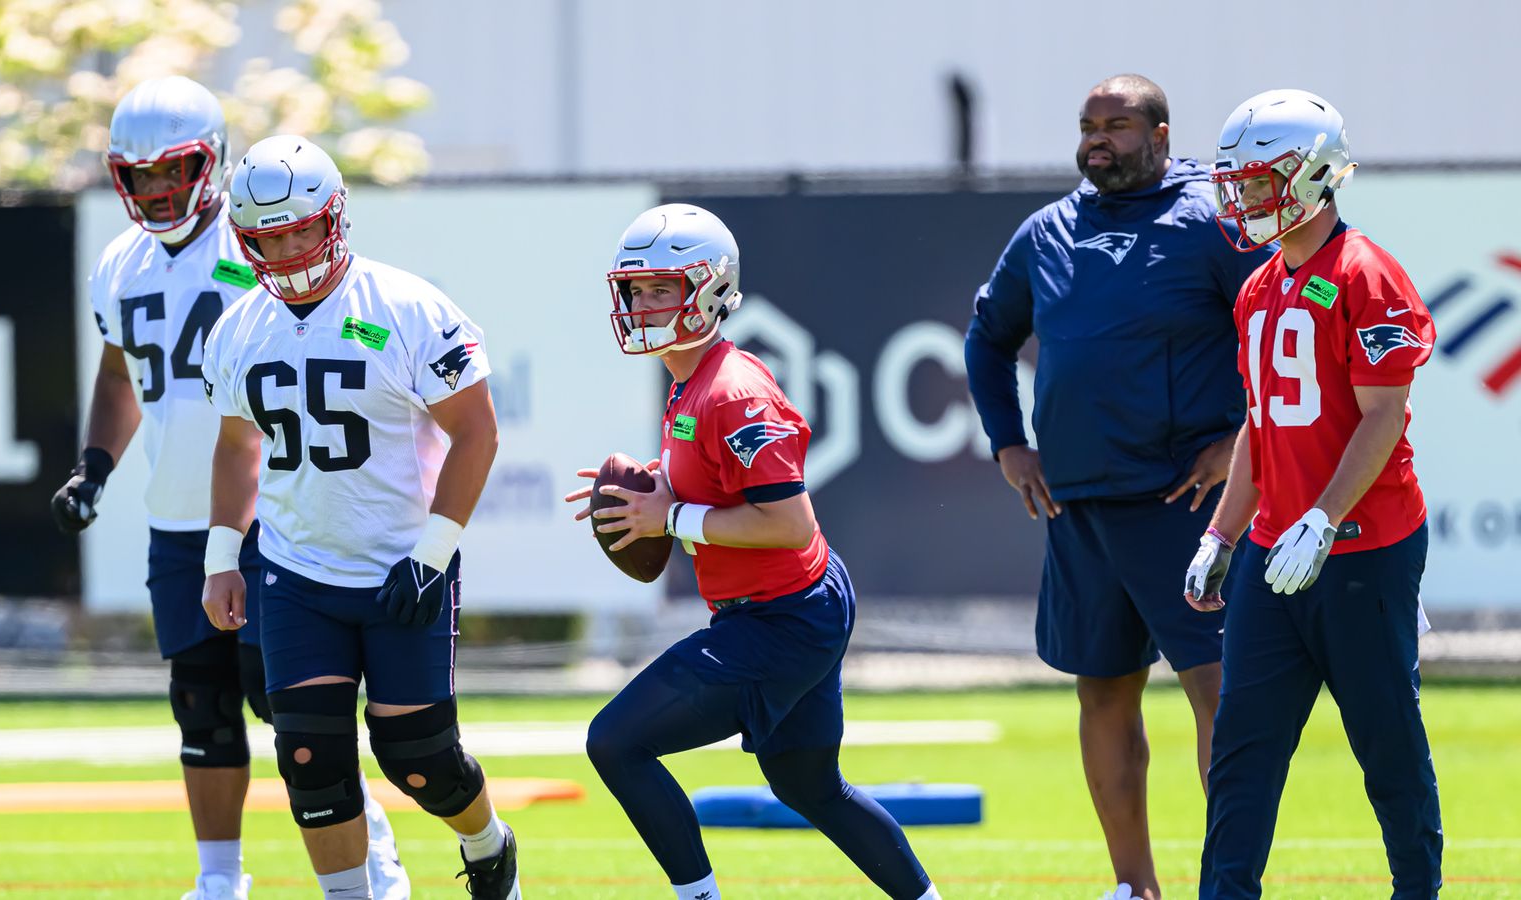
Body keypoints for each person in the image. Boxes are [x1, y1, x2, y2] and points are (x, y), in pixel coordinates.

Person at [50, 77, 407, 900]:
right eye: (139, 176)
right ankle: (218, 881)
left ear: (211, 161)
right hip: (175, 517)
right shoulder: (119, 263)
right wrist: (94, 466)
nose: (157, 191)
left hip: (264, 514)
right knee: (200, 706)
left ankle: (370, 846)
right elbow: (119, 374)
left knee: (282, 703)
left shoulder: (255, 248)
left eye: (172, 170)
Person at [567, 203, 941, 900]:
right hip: (789, 604)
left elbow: (788, 523)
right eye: (636, 290)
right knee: (809, 786)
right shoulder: (691, 376)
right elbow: (720, 482)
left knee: (615, 741)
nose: (643, 305)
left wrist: (669, 516)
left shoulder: (733, 392)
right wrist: (658, 483)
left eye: (662, 289)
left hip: (781, 615)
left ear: (709, 290)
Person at [963, 73, 1273, 900]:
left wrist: (1243, 439)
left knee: (1218, 693)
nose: (1098, 138)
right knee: (1102, 693)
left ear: (1163, 135)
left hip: (1186, 509)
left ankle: (1229, 886)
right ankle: (1134, 887)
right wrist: (1007, 443)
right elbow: (988, 340)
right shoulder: (1047, 232)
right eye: (1088, 125)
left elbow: (1284, 330)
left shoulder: (1215, 221)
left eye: (1119, 125)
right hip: (1079, 511)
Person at [199, 134, 519, 900]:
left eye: (300, 229)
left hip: (401, 564)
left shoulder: (406, 308)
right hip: (297, 571)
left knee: (418, 756)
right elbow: (237, 446)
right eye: (267, 237)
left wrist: (435, 550)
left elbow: (477, 431)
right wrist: (220, 556)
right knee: (310, 759)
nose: (286, 249)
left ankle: (488, 842)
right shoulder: (240, 327)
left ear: (334, 218)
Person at [1185, 88, 1441, 899]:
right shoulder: (1258, 288)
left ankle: (1418, 891)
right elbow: (1260, 426)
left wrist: (1324, 520)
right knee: (1242, 752)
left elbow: (1383, 415)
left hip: (1364, 548)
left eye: (1258, 182)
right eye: (1238, 184)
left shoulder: (1366, 274)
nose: (1243, 200)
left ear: (1314, 176)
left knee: (1385, 741)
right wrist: (1222, 536)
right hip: (1272, 551)